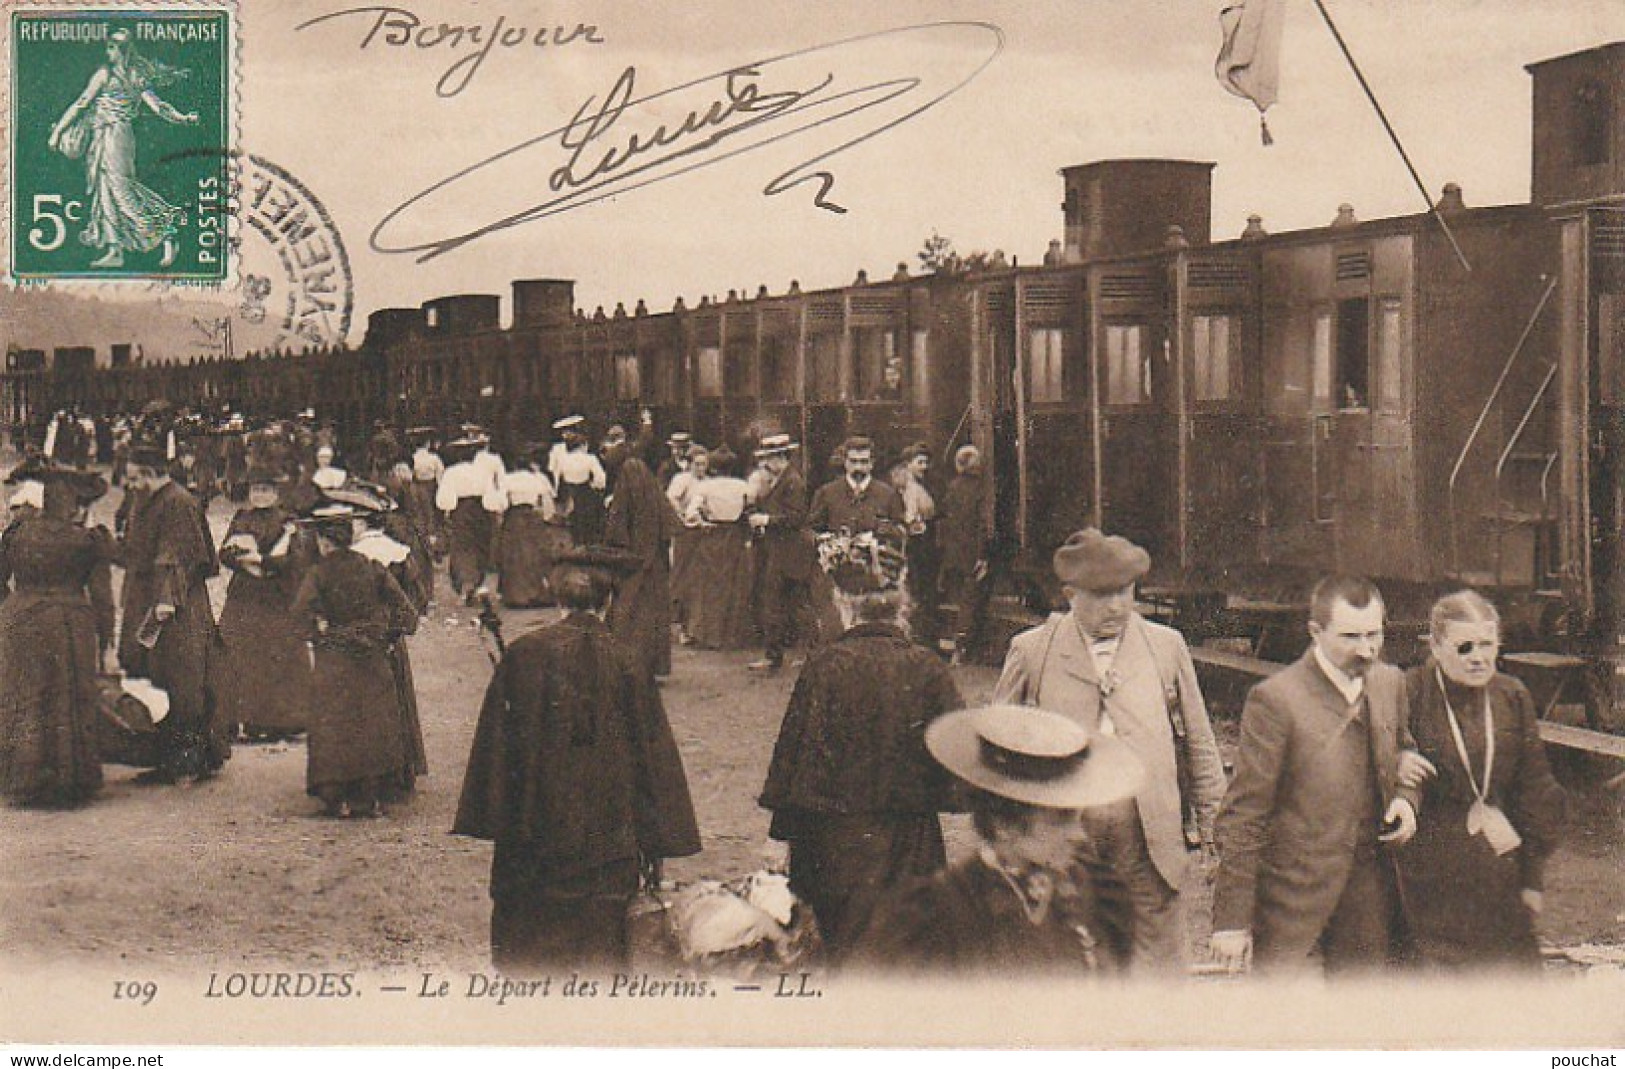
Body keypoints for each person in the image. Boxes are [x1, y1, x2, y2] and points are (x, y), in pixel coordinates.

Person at [453, 548, 701, 973]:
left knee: (529, 961)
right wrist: (657, 839)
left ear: (558, 601)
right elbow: (652, 758)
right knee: (599, 958)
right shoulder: (628, 661)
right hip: (607, 845)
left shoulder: (524, 654)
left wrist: (499, 818)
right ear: (607, 603)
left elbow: (497, 750)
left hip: (534, 841)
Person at [993, 528, 1226, 972]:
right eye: (1101, 596)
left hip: (1147, 835)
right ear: (1070, 595)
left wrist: (1217, 829)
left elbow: (1200, 742)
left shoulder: (1165, 646)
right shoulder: (1032, 650)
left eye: (1125, 592)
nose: (1116, 606)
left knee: (1155, 961)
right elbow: (997, 754)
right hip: (1065, 836)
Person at [759, 527, 963, 963]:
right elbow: (958, 761)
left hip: (836, 844)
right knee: (907, 955)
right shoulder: (928, 668)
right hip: (911, 841)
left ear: (843, 605)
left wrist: (782, 835)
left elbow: (799, 760)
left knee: (846, 951)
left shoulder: (825, 667)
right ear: (901, 604)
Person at [1211, 575, 1423, 976]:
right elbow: (1244, 813)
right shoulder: (1276, 699)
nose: (1366, 649)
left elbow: (1404, 751)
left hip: (1368, 902)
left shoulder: (1388, 681)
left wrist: (1406, 799)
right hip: (1293, 904)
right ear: (1315, 632)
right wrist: (1231, 921)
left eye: (1374, 634)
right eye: (1350, 637)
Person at [852, 704, 1143, 975]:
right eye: (1060, 820)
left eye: (1077, 817)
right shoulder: (941, 915)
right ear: (1004, 824)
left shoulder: (1096, 894)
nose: (1079, 836)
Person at [1395, 590, 1566, 969]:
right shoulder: (1408, 691)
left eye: (1487, 644)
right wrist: (1395, 758)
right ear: (1436, 647)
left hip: (1498, 872)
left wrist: (1532, 877)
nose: (1478, 657)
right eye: (1465, 647)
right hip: (1427, 879)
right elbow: (1367, 752)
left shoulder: (1511, 694)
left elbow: (1536, 789)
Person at [292, 500, 424, 818]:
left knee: (336, 723)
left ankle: (339, 798)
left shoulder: (318, 573)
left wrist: (319, 632)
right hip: (370, 654)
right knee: (372, 720)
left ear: (324, 543)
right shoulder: (371, 567)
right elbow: (406, 610)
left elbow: (300, 614)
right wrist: (387, 635)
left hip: (334, 657)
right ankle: (372, 795)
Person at [0, 459, 115, 807]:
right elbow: (102, 596)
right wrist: (105, 637)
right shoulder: (87, 541)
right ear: (74, 506)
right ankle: (69, 779)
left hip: (21, 618)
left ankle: (22, 776)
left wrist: (11, 607)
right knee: (69, 696)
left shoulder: (17, 534)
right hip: (69, 621)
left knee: (26, 694)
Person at [47, 26, 199, 269]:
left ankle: (166, 232)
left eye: (111, 47)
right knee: (105, 189)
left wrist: (57, 132)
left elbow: (82, 103)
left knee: (120, 190)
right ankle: (114, 249)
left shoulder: (107, 75)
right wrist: (182, 118)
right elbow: (159, 106)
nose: (108, 52)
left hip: (115, 136)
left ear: (122, 50)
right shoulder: (135, 75)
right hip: (108, 135)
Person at [119, 442, 226, 785]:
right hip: (150, 597)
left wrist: (166, 601)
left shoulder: (178, 502)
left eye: (134, 478)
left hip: (177, 604)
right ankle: (165, 758)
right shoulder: (145, 499)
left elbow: (179, 557)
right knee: (157, 676)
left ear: (151, 474)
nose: (130, 484)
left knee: (184, 679)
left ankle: (190, 762)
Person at [215, 467, 313, 742]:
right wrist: (240, 559)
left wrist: (263, 561)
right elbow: (224, 553)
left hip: (274, 595)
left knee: (275, 655)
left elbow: (295, 560)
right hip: (244, 595)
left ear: (276, 493)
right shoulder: (241, 518)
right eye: (256, 490)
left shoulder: (287, 522)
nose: (260, 496)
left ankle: (279, 721)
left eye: (266, 491)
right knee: (237, 652)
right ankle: (238, 717)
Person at [603, 429, 678, 680]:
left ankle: (629, 664)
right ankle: (655, 666)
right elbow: (667, 522)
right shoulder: (647, 479)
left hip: (634, 558)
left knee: (629, 611)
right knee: (654, 612)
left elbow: (619, 520)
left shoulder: (628, 473)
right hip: (653, 558)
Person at [746, 435, 816, 671]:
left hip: (791, 552)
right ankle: (783, 654)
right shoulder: (784, 479)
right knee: (782, 603)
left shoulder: (792, 482)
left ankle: (796, 654)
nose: (765, 463)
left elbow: (797, 518)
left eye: (769, 459)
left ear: (780, 458)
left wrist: (767, 519)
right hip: (783, 551)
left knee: (792, 604)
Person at [682, 446, 756, 650]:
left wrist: (702, 523)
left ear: (713, 467)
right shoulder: (743, 486)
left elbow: (690, 513)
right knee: (735, 584)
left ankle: (710, 636)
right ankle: (732, 636)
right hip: (735, 536)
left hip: (713, 536)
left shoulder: (706, 487)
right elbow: (751, 510)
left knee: (710, 586)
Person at [936, 444, 992, 663]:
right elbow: (983, 526)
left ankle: (958, 647)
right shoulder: (981, 490)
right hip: (973, 554)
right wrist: (983, 556)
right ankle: (962, 649)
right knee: (971, 601)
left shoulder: (952, 487)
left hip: (954, 553)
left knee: (960, 600)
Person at [436, 434, 504, 605]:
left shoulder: (451, 473)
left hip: (461, 511)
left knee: (463, 547)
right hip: (480, 511)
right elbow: (490, 495)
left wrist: (447, 510)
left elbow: (445, 497)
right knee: (479, 545)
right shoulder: (482, 472)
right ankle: (474, 583)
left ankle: (467, 585)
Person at [494, 450, 565, 609]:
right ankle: (537, 594)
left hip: (514, 517)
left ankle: (516, 596)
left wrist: (501, 514)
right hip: (533, 517)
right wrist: (546, 517)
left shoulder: (508, 479)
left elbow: (501, 502)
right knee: (535, 554)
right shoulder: (537, 479)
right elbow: (547, 502)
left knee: (514, 554)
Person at [892, 442, 941, 650]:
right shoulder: (911, 487)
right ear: (908, 464)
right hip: (919, 547)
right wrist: (920, 526)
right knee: (920, 592)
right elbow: (911, 519)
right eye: (919, 462)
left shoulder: (907, 485)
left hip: (916, 546)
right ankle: (920, 639)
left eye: (926, 462)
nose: (924, 466)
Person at [548, 415, 607, 547]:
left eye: (569, 431)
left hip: (572, 485)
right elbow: (554, 470)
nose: (566, 435)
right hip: (569, 486)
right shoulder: (558, 449)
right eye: (564, 432)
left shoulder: (581, 453)